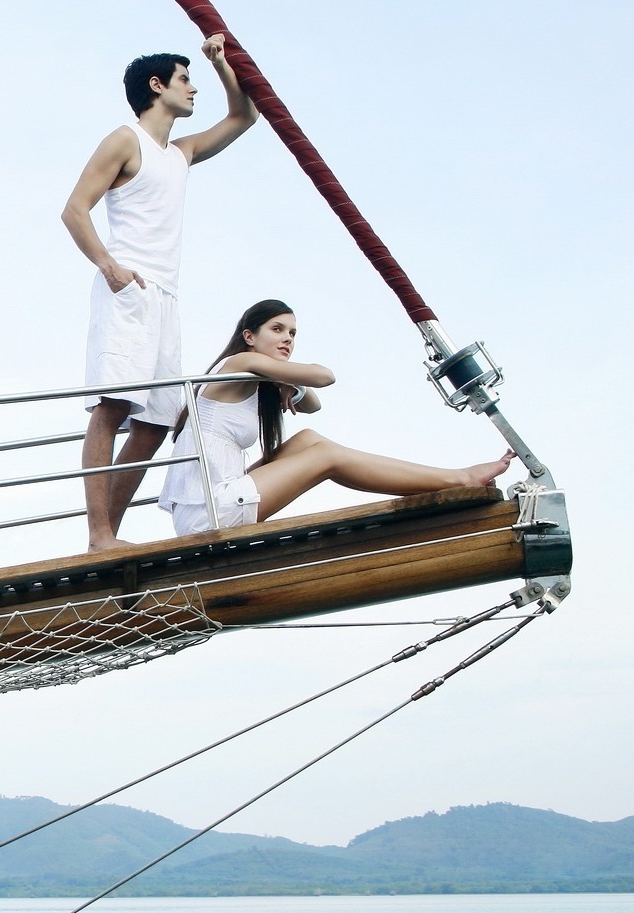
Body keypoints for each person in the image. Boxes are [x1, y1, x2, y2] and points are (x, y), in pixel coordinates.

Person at [64, 36, 258, 551]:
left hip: (167, 298)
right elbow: (74, 209)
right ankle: (98, 534)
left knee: (154, 425)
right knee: (112, 407)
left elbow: (244, 117)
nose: (194, 89)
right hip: (128, 290)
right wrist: (109, 267)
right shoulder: (125, 140)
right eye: (186, 78)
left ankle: (110, 534)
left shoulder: (182, 152)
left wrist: (221, 64)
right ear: (158, 86)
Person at [157, 299, 515, 536]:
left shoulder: (255, 377)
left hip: (213, 501)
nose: (288, 339)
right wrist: (286, 376)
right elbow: (325, 377)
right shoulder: (239, 364)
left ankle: (431, 482)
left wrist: (285, 383)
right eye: (277, 330)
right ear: (249, 337)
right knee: (325, 457)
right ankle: (458, 478)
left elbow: (313, 404)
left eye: (293, 333)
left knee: (310, 439)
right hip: (209, 512)